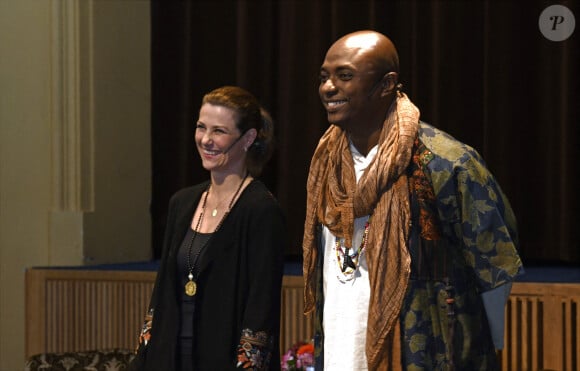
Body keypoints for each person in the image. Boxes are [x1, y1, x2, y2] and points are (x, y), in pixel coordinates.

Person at [302, 30, 523, 370]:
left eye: (344, 76)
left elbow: (495, 266)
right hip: (341, 351)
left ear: (387, 84)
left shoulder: (445, 163)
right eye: (324, 77)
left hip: (424, 356)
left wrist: (485, 350)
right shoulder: (325, 163)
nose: (328, 88)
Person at [129, 86, 286, 370]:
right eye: (201, 127)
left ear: (248, 138)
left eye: (219, 131)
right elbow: (161, 295)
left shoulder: (261, 210)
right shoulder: (182, 202)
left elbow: (261, 311)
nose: (206, 140)